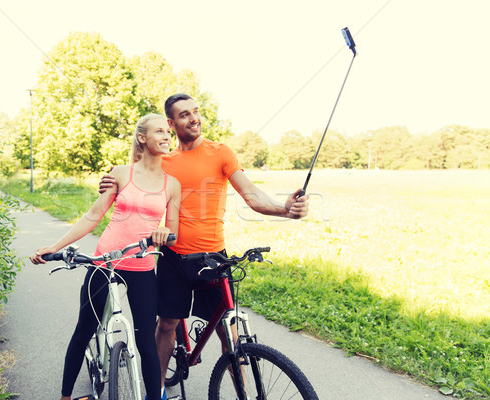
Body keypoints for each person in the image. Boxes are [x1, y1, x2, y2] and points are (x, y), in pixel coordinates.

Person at [99, 93, 309, 395]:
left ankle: (244, 395)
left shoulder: (220, 153)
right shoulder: (164, 160)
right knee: (168, 325)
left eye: (196, 112)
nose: (194, 118)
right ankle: (155, 391)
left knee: (228, 331)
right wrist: (108, 183)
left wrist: (285, 209)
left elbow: (251, 195)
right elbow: (133, 179)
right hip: (173, 258)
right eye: (184, 114)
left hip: (213, 258)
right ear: (171, 124)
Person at [31, 113, 181, 400]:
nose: (166, 136)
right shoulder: (121, 173)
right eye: (159, 131)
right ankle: (65, 397)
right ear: (142, 138)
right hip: (105, 263)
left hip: (143, 266)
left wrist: (164, 231)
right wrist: (55, 246)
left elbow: (172, 231)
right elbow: (93, 215)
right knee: (84, 329)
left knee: (147, 346)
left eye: (168, 132)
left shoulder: (172, 184)